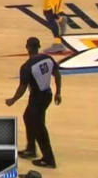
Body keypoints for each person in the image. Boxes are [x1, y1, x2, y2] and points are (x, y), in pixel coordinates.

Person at [6, 37, 61, 169]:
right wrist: (58, 92)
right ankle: (31, 149)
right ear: (38, 47)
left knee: (39, 128)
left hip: (37, 97)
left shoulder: (27, 67)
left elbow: (22, 87)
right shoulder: (48, 58)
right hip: (47, 95)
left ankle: (49, 160)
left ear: (27, 47)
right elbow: (57, 74)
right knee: (28, 117)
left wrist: (13, 100)